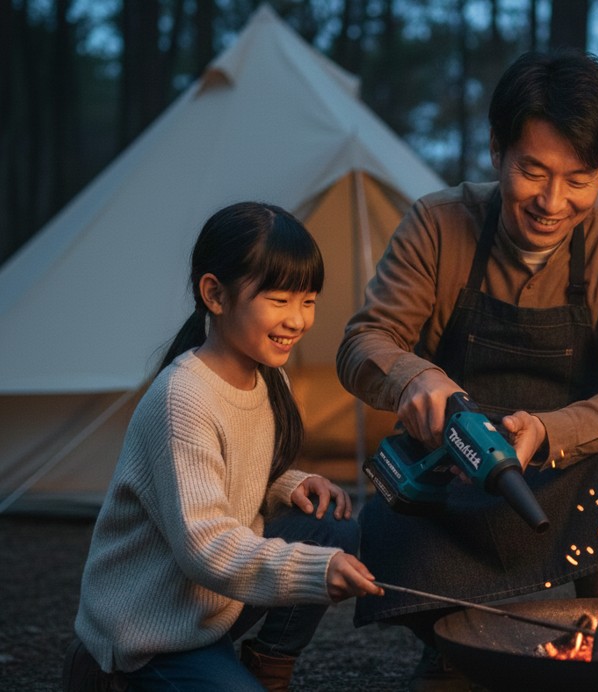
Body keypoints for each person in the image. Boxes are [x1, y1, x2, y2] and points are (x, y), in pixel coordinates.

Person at [336, 49, 598, 689]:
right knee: (390, 507)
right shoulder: (437, 224)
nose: (552, 201)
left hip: (562, 474)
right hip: (452, 476)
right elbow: (363, 341)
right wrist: (413, 377)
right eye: (533, 171)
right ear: (497, 149)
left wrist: (547, 432)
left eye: (580, 179)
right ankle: (454, 646)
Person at [63, 201, 383, 692]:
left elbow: (232, 466)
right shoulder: (183, 397)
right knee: (319, 555)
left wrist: (290, 484)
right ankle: (109, 679)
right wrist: (314, 571)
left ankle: (267, 667)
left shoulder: (266, 372)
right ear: (214, 293)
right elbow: (205, 545)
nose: (297, 320)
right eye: (279, 300)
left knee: (331, 527)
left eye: (308, 300)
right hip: (149, 631)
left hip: (209, 608)